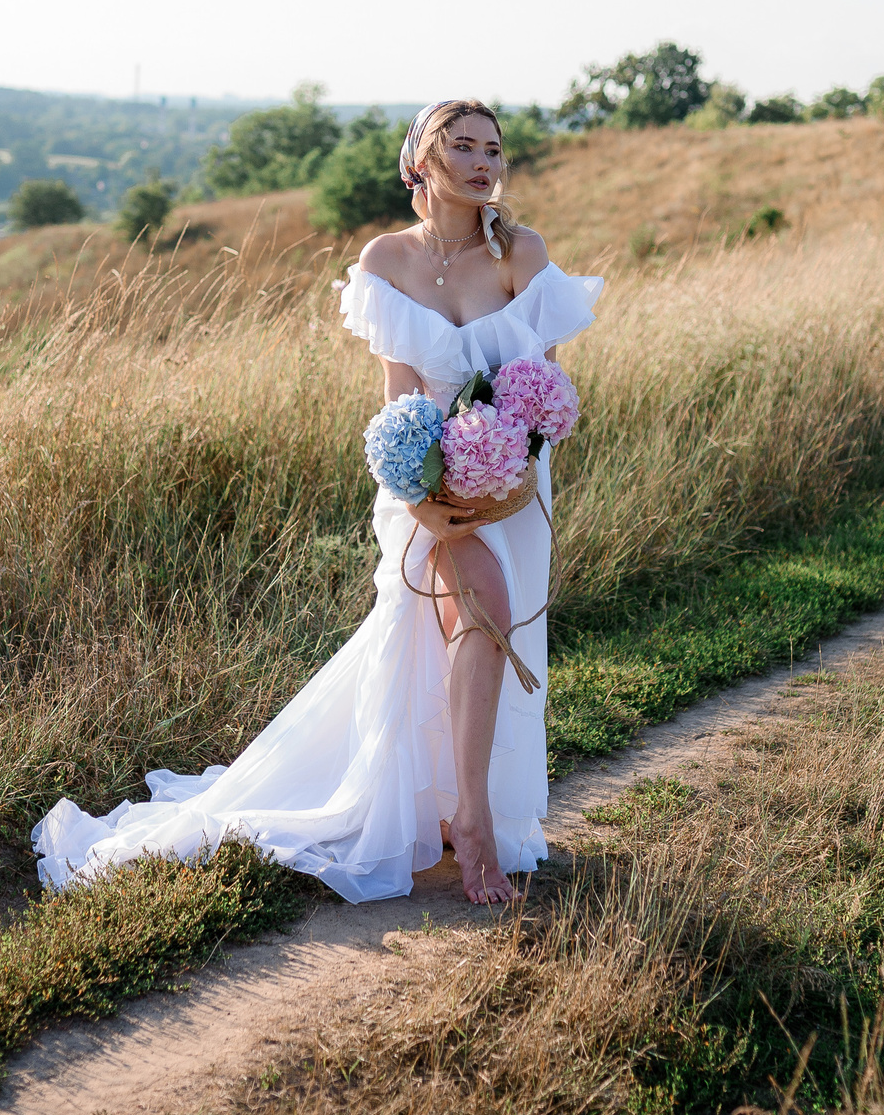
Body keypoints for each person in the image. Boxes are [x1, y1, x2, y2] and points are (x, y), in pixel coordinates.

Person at [32, 99, 602, 905]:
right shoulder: (386, 260)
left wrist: (505, 460)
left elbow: (541, 383)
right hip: (425, 488)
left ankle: (455, 806)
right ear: (422, 162)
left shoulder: (522, 251)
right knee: (485, 613)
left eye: (493, 149)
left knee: (480, 629)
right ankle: (474, 823)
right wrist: (422, 502)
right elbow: (399, 403)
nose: (484, 163)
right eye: (464, 146)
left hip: (508, 482)